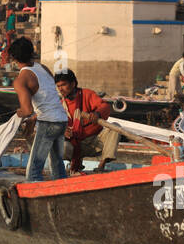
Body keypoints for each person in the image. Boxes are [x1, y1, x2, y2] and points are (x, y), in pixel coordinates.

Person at [9, 37, 68, 182]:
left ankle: (36, 201)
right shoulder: (43, 68)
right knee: (56, 164)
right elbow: (47, 95)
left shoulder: (21, 79)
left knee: (34, 169)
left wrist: (19, 112)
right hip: (62, 120)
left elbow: (27, 110)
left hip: (48, 123)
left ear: (14, 58)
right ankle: (62, 192)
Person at [53, 70, 111, 174]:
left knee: (114, 128)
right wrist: (63, 132)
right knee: (61, 145)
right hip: (75, 145)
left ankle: (101, 165)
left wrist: (97, 114)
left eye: (64, 85)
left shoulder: (87, 94)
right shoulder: (60, 105)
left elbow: (105, 106)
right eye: (58, 86)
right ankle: (74, 165)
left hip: (95, 141)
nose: (61, 89)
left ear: (73, 84)